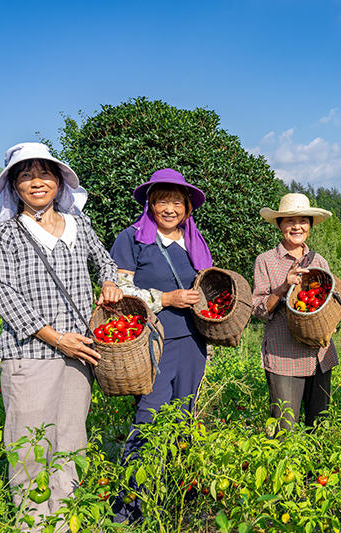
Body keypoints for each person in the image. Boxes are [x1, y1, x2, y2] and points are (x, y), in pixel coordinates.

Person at [0, 142, 123, 527]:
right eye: (25, 175)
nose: (36, 181)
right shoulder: (1, 235)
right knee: (29, 447)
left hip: (79, 352)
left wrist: (109, 281)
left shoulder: (80, 225)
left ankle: (65, 521)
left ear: (60, 182)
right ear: (14, 187)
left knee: (70, 442)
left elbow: (106, 261)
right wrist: (56, 337)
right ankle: (33, 524)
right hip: (30, 354)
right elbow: (5, 296)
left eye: (44, 173)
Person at [109, 168, 212, 522]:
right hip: (151, 343)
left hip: (193, 342)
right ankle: (129, 508)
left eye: (177, 202)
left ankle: (175, 498)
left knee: (184, 417)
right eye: (162, 200)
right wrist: (165, 298)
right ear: (151, 203)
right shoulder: (132, 239)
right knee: (149, 415)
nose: (170, 208)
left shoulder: (194, 242)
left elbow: (207, 286)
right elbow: (118, 293)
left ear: (187, 207)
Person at [252, 193, 338, 434]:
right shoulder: (266, 261)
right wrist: (283, 288)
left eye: (303, 220)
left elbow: (328, 302)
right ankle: (286, 471)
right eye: (289, 220)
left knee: (319, 428)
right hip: (284, 356)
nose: (296, 226)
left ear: (310, 225)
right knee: (284, 429)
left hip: (319, 357)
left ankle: (315, 474)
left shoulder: (319, 261)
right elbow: (258, 309)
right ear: (279, 225)